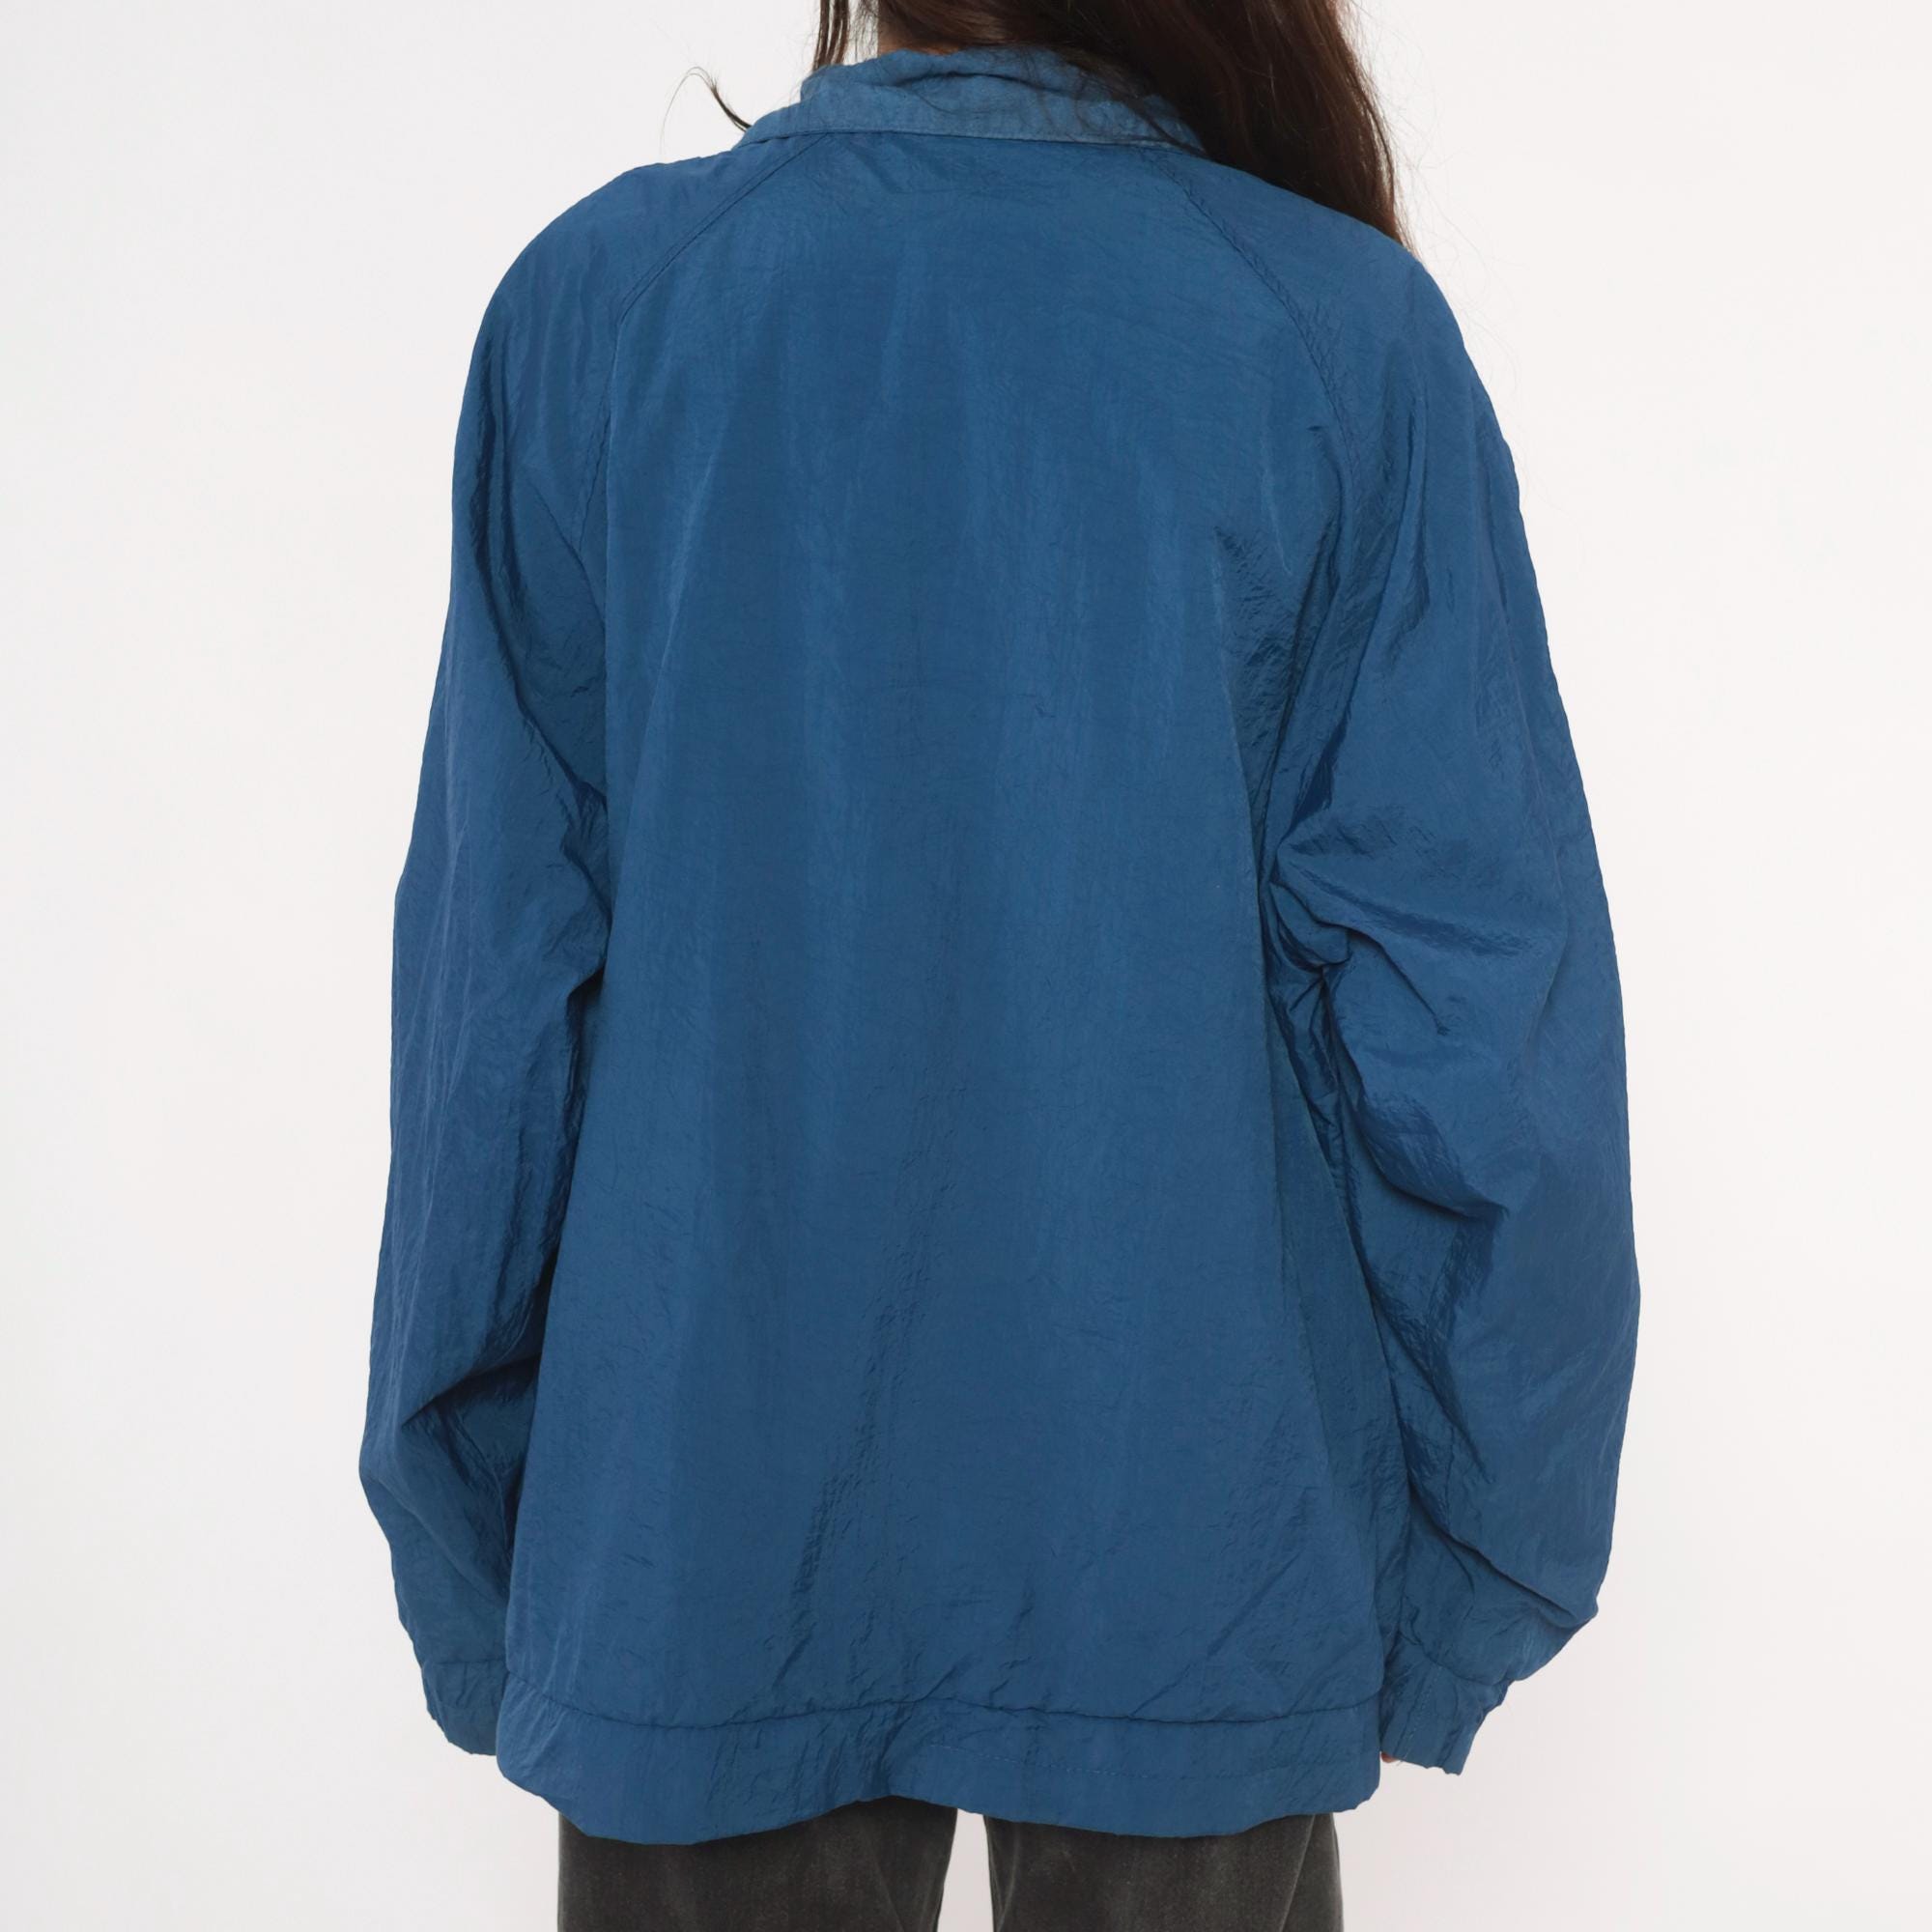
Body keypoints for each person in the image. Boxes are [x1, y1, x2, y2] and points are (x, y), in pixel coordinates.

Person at [359, 3, 1641, 1925]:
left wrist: (483, 1546)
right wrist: (1471, 1566)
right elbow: (1485, 1042)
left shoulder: (605, 309)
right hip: (1190, 1527)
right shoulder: (1332, 334)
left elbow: (495, 1008)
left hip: (696, 1512)